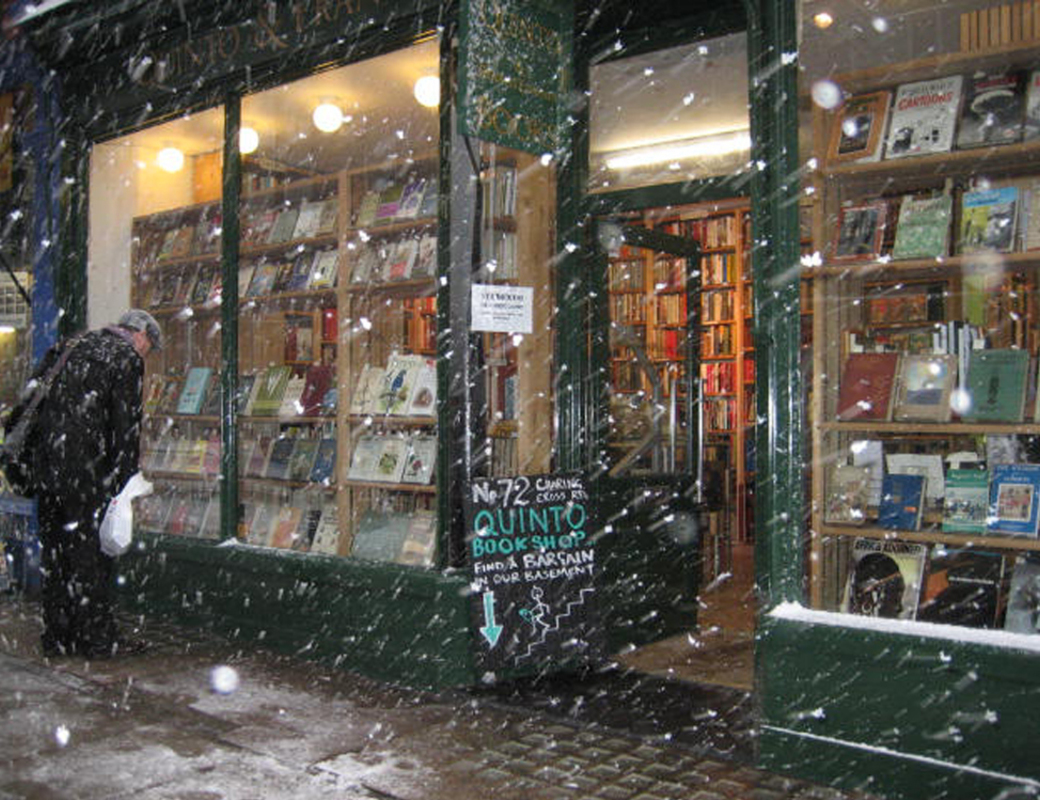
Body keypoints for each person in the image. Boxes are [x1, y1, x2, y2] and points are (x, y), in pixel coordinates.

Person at [29, 309, 162, 658]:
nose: (145, 353)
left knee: (56, 554)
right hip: (86, 473)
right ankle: (96, 637)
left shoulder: (69, 345)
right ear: (141, 336)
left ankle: (58, 635)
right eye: (148, 347)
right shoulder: (125, 358)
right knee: (91, 556)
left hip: (48, 468)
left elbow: (34, 399)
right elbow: (125, 426)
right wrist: (124, 483)